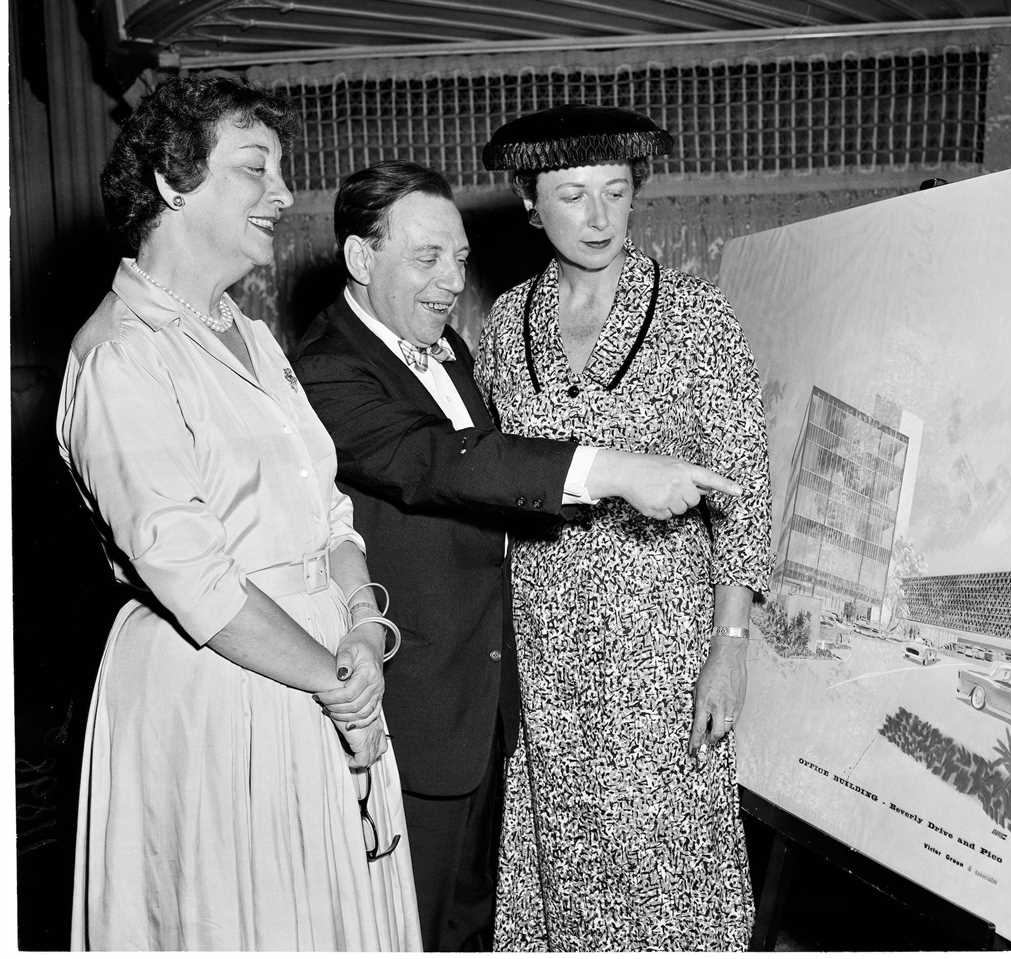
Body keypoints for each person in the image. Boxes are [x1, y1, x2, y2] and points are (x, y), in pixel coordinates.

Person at [291, 160, 739, 950]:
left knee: (472, 927)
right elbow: (447, 463)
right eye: (427, 258)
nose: (449, 279)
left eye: (459, 257)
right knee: (408, 932)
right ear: (363, 260)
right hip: (413, 715)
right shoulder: (327, 369)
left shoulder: (446, 346)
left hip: (492, 704)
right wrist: (614, 471)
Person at [57, 76, 419, 950]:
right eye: (255, 168)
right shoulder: (120, 359)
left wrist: (364, 630)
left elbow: (326, 508)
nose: (287, 194)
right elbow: (200, 580)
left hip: (328, 674)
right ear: (175, 183)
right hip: (219, 693)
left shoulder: (250, 335)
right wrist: (340, 686)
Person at [476, 104, 773, 950]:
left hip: (664, 641)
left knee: (661, 854)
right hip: (545, 646)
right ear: (531, 203)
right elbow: (495, 476)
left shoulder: (694, 319)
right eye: (572, 195)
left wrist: (731, 642)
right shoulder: (504, 326)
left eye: (615, 192)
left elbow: (743, 492)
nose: (599, 217)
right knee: (561, 847)